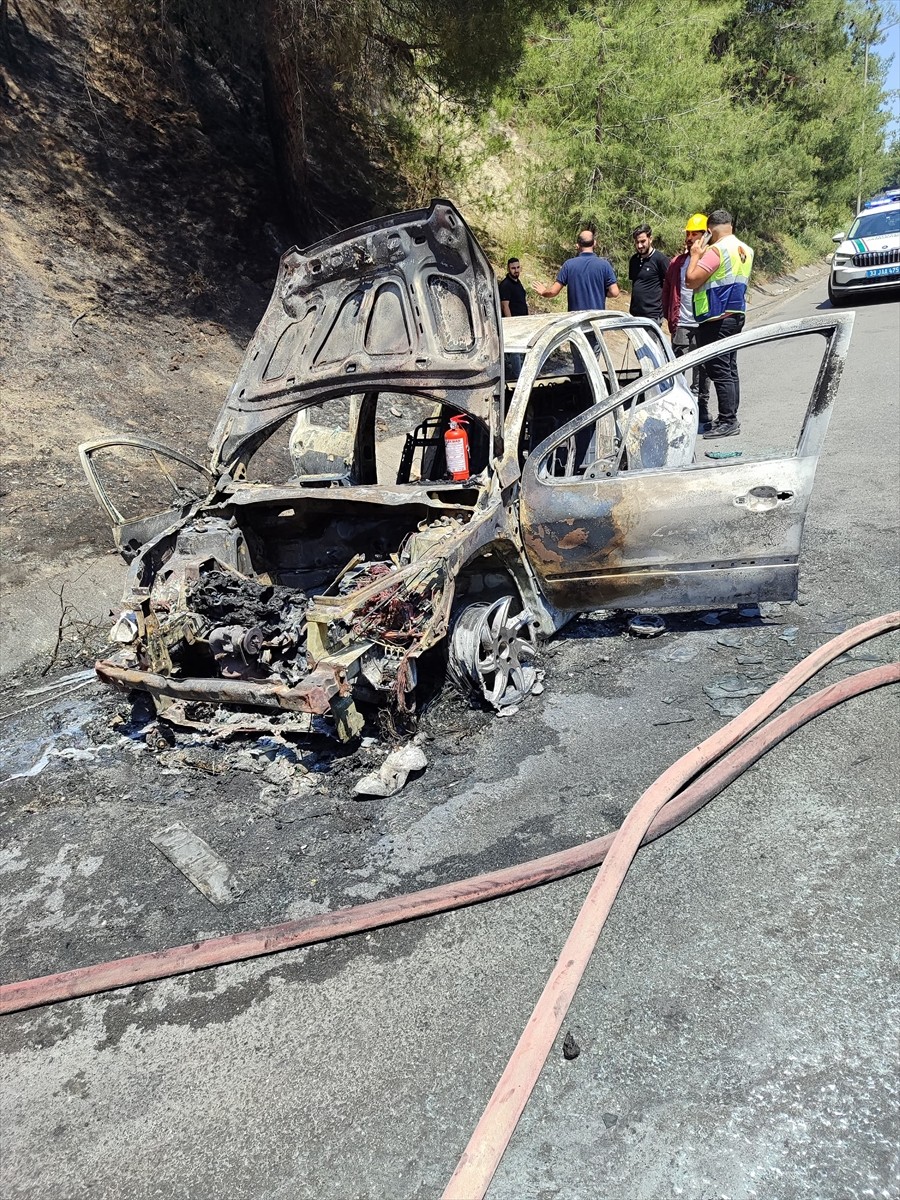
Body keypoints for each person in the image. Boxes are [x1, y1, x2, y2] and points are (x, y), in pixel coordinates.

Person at [685, 208, 754, 439]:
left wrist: (696, 254)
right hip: (735, 314)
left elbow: (691, 280)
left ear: (709, 230)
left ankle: (728, 420)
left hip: (716, 316)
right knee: (730, 368)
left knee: (719, 369)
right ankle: (729, 416)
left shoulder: (717, 250)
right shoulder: (744, 249)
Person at [662, 213, 712, 431]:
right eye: (689, 233)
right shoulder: (677, 263)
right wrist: (670, 318)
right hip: (682, 322)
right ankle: (678, 409)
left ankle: (702, 407)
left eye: (696, 233)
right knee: (679, 367)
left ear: (706, 235)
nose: (691, 237)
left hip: (704, 323)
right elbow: (667, 292)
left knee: (704, 368)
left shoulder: (712, 259)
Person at [534, 229, 620, 311]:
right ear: (594, 243)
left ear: (577, 245)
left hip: (576, 319)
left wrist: (543, 292)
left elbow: (553, 291)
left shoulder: (569, 265)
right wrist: (601, 293)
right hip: (596, 319)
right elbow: (615, 292)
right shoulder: (604, 265)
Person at [627, 224, 670, 324]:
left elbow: (669, 284)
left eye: (642, 241)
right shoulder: (633, 260)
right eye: (637, 242)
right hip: (634, 315)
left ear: (650, 239)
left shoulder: (660, 259)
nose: (639, 246)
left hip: (652, 316)